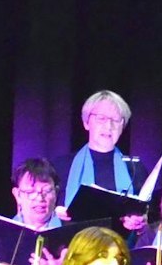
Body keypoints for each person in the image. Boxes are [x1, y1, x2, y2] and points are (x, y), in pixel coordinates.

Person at [55, 90, 147, 233]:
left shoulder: (135, 168)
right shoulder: (62, 166)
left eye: (116, 120)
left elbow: (148, 214)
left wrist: (141, 220)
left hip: (122, 244)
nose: (109, 126)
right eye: (101, 118)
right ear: (86, 122)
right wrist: (54, 212)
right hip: (74, 243)